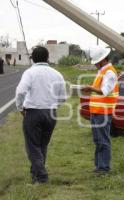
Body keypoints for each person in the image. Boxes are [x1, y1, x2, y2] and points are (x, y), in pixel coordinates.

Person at [15, 46, 66, 184]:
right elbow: (62, 97)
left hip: (33, 112)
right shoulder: (57, 74)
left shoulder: (30, 72)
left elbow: (20, 92)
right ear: (47, 57)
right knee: (42, 145)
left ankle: (42, 177)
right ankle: (35, 175)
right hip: (51, 113)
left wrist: (20, 107)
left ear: (32, 58)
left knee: (32, 147)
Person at [81, 47, 119, 174]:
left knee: (103, 140)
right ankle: (99, 166)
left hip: (103, 112)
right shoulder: (103, 71)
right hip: (97, 111)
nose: (96, 64)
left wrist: (90, 88)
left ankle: (103, 168)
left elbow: (104, 91)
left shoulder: (109, 72)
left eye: (96, 61)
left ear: (103, 60)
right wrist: (90, 89)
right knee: (98, 140)